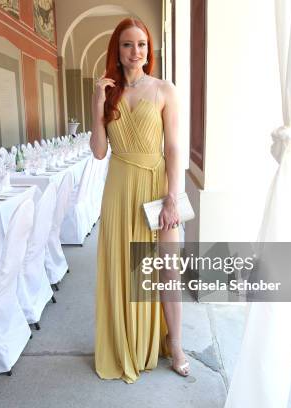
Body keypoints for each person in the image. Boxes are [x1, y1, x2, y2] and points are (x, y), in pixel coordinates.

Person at [90, 18, 189, 383]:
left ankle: (175, 343)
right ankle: (126, 341)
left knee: (167, 269)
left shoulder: (164, 89)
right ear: (117, 50)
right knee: (125, 267)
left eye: (143, 44)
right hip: (119, 186)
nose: (137, 52)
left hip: (155, 186)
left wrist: (172, 199)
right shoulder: (108, 91)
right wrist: (98, 102)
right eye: (128, 45)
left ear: (150, 49)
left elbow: (175, 147)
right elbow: (99, 151)